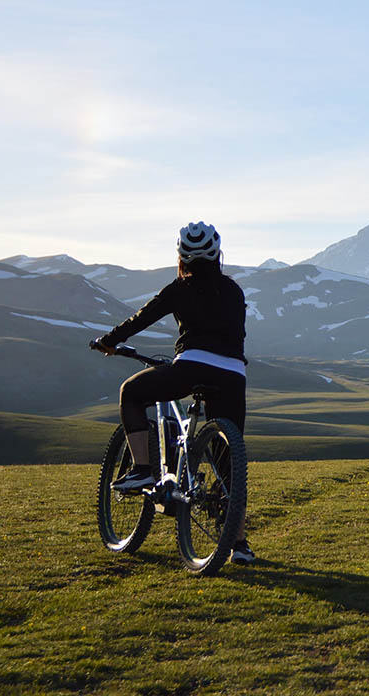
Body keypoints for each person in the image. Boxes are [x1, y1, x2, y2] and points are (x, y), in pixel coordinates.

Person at [91, 222, 254, 564]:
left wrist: (109, 341)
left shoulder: (180, 288)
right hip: (234, 374)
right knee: (228, 462)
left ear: (181, 256)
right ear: (217, 254)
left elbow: (142, 317)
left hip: (192, 365)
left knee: (131, 393)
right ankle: (239, 545)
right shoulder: (234, 291)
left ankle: (142, 470)